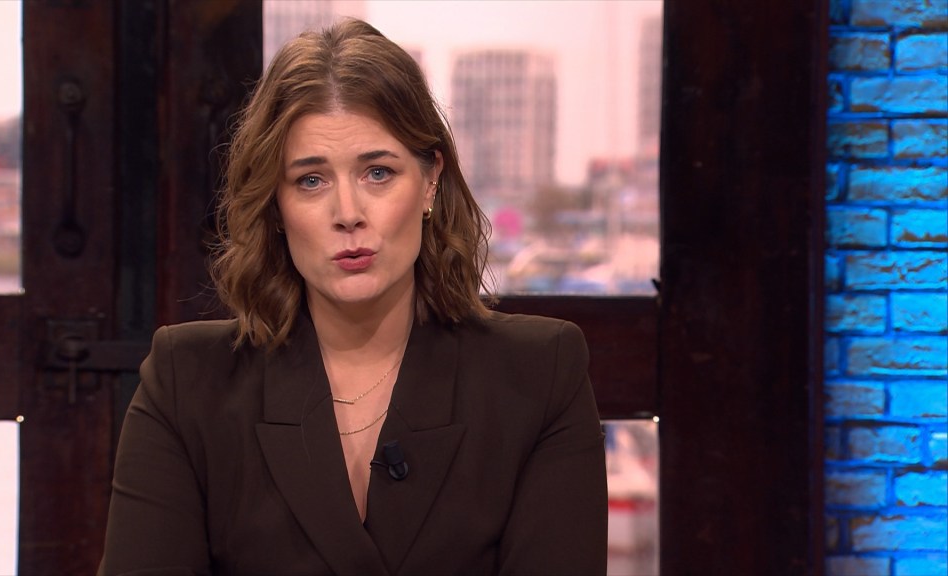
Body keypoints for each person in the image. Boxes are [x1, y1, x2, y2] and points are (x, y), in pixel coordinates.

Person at [99, 18, 606, 576]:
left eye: (378, 173)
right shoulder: (186, 385)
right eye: (311, 180)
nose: (348, 213)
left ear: (430, 180)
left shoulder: (538, 376)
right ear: (275, 205)